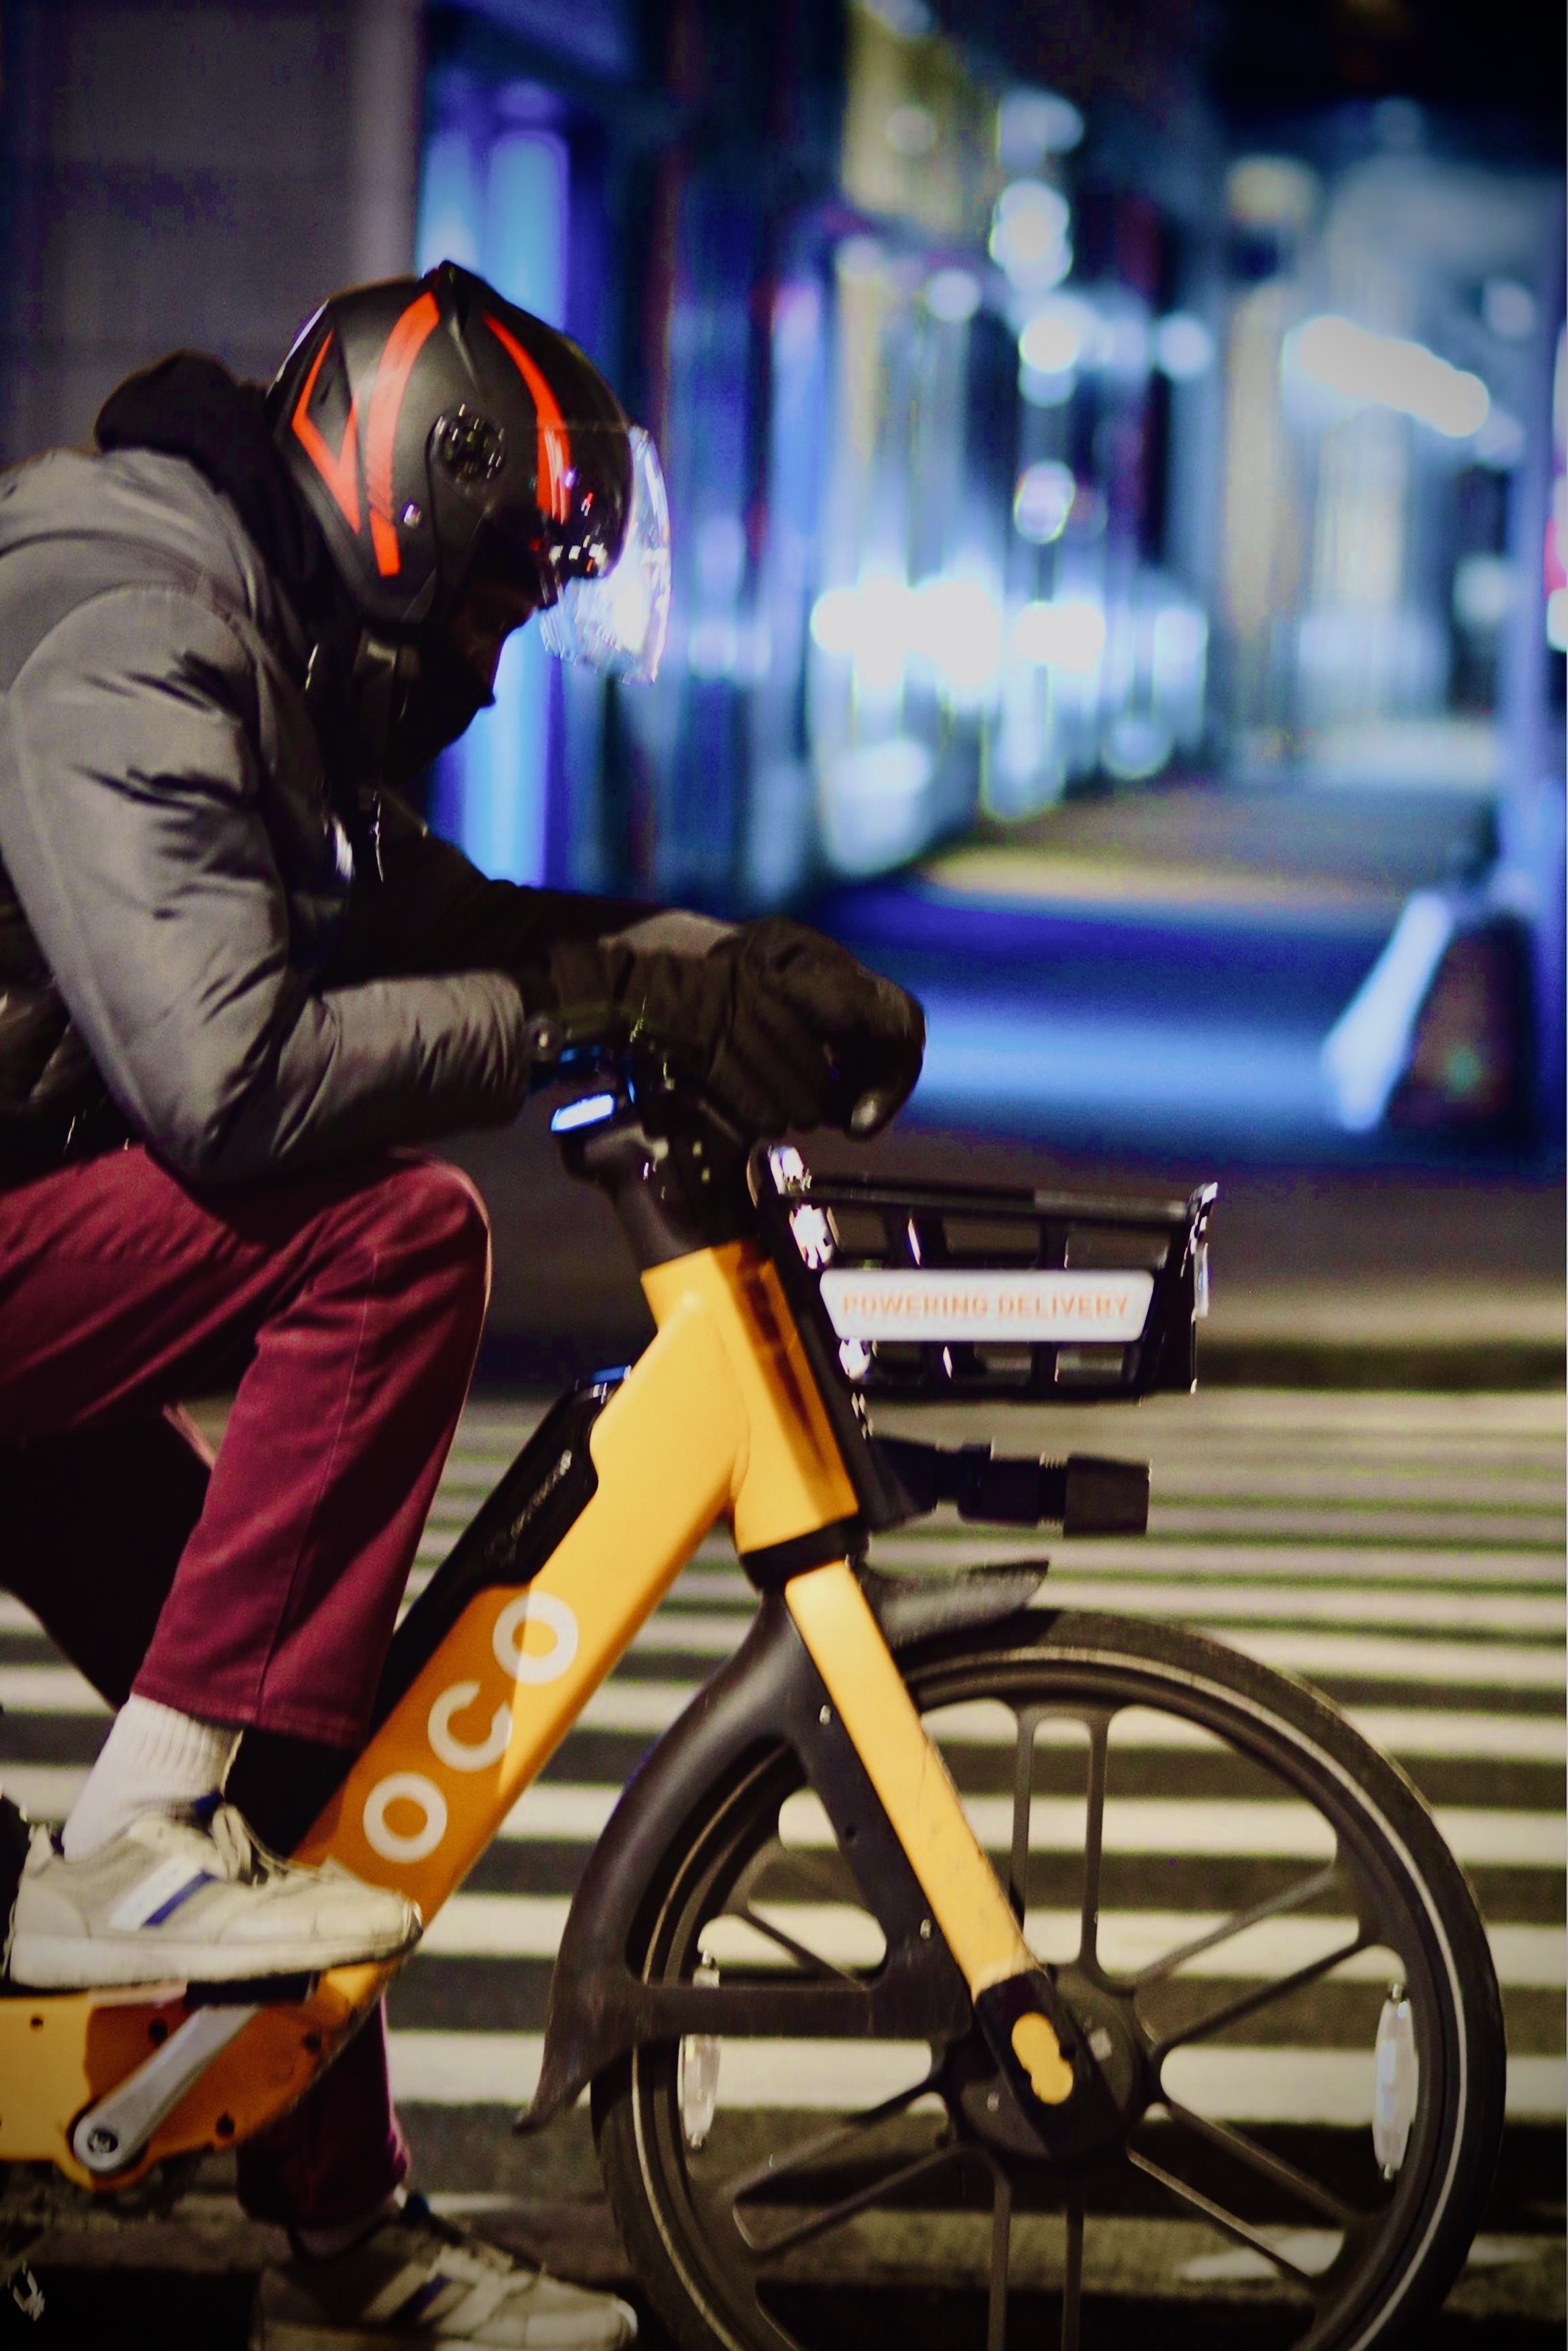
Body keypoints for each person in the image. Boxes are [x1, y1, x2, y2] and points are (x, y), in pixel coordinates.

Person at [0, 261, 924, 2348]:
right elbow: (225, 1084)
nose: (500, 673)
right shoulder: (135, 627)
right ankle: (140, 1842)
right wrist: (568, 1014)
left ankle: (342, 2240)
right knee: (394, 1235)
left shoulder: (259, 633)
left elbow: (437, 918)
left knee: (283, 1728)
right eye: (505, 605)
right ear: (414, 502)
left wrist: (704, 961)